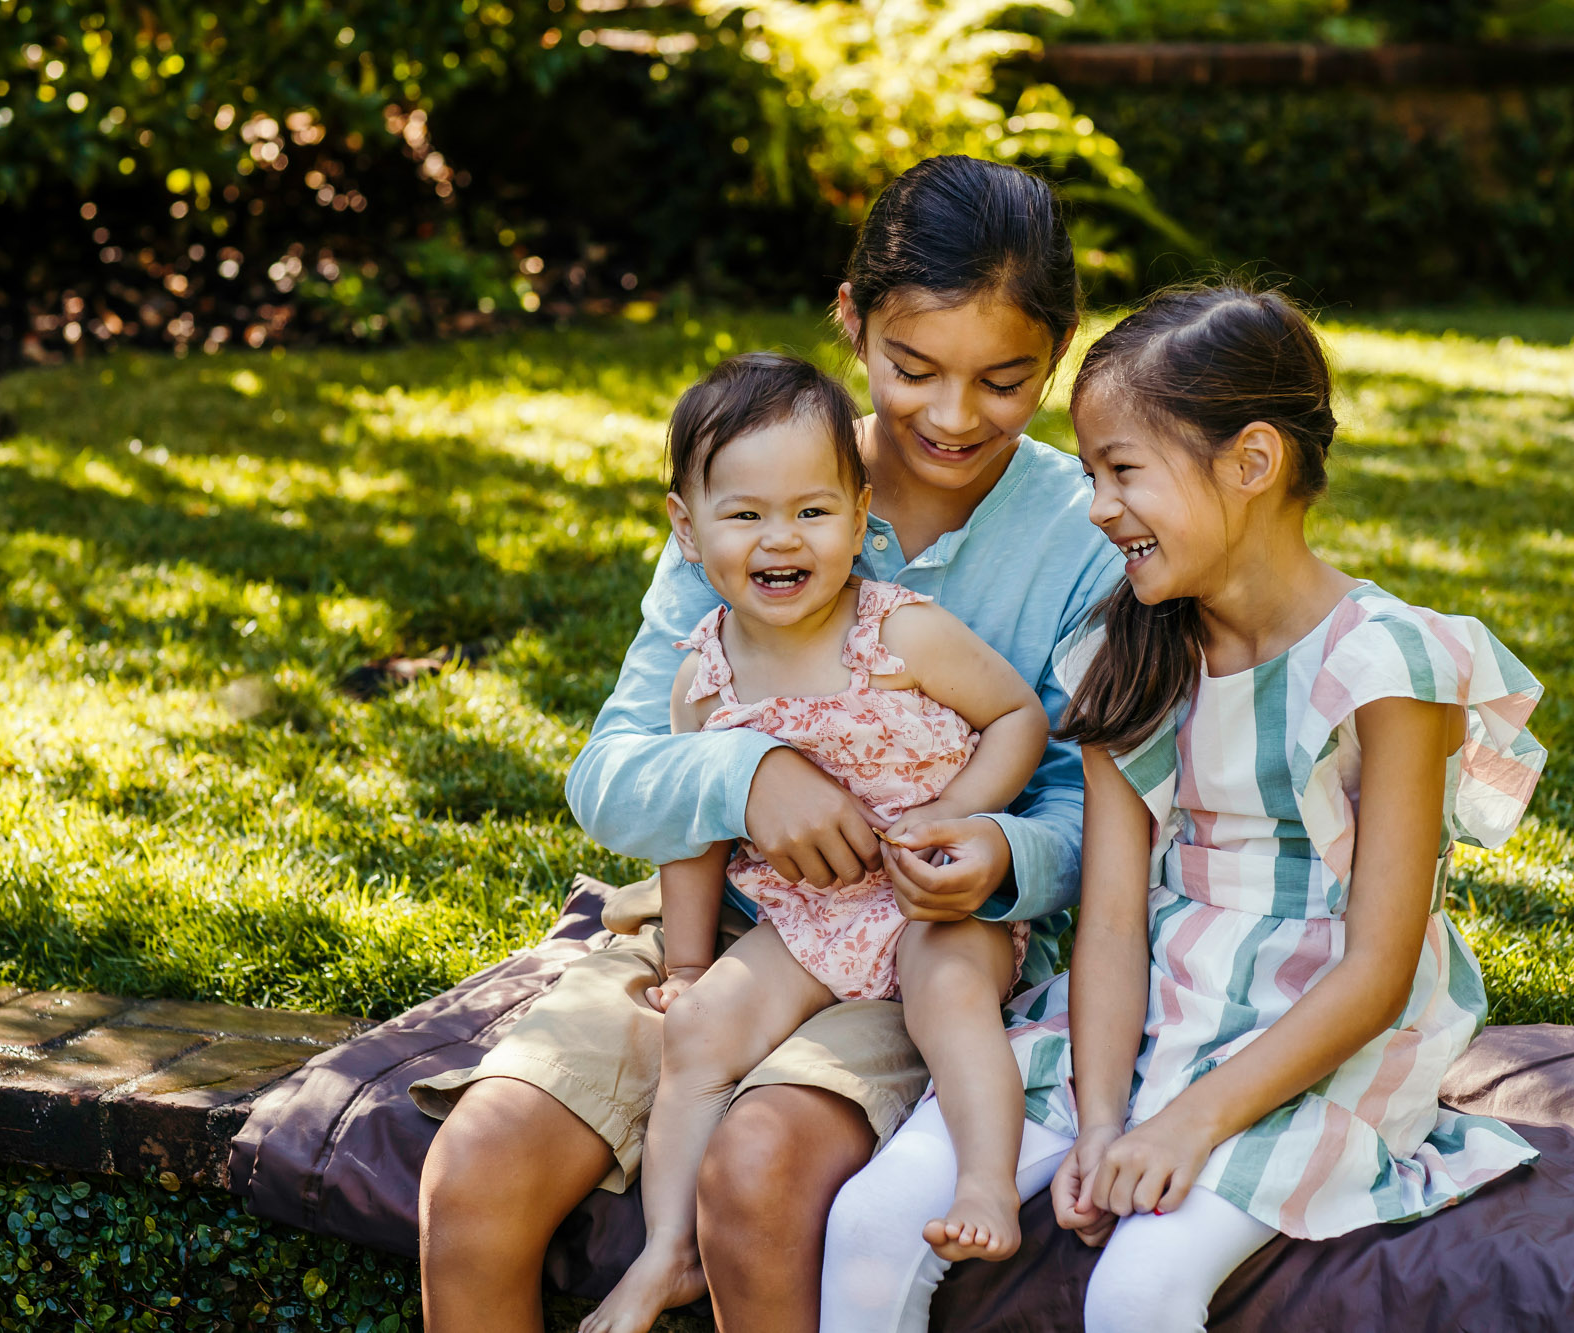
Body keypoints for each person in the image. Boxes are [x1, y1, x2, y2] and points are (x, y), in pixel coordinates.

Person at [412, 154, 1122, 1333]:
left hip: (925, 947)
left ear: (1057, 355)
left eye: (1005, 380)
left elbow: (1088, 801)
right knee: (477, 1169)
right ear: (851, 322)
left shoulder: (1084, 533)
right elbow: (613, 774)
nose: (952, 416)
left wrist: (1000, 855)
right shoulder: (749, 480)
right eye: (911, 368)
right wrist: (748, 775)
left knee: (758, 1170)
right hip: (719, 938)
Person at [822, 283, 1549, 1333]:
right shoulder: (1132, 649)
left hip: (1315, 1043)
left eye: (1121, 471)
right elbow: (1113, 923)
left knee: (1140, 1284)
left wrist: (1185, 1128)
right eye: (1091, 472)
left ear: (1250, 463)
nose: (1096, 504)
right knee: (869, 1223)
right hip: (1145, 1011)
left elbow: (1379, 966)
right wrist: (1104, 1121)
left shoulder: (1386, 666)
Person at [581, 352, 1051, 1333]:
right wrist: (686, 959)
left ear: (858, 512)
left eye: (810, 511)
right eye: (744, 514)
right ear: (685, 525)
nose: (779, 539)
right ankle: (668, 1250)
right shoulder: (704, 676)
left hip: (929, 894)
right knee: (700, 1029)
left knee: (949, 996)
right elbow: (691, 831)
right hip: (809, 911)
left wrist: (958, 816)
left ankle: (985, 1187)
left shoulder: (898, 633)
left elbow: (1016, 716)